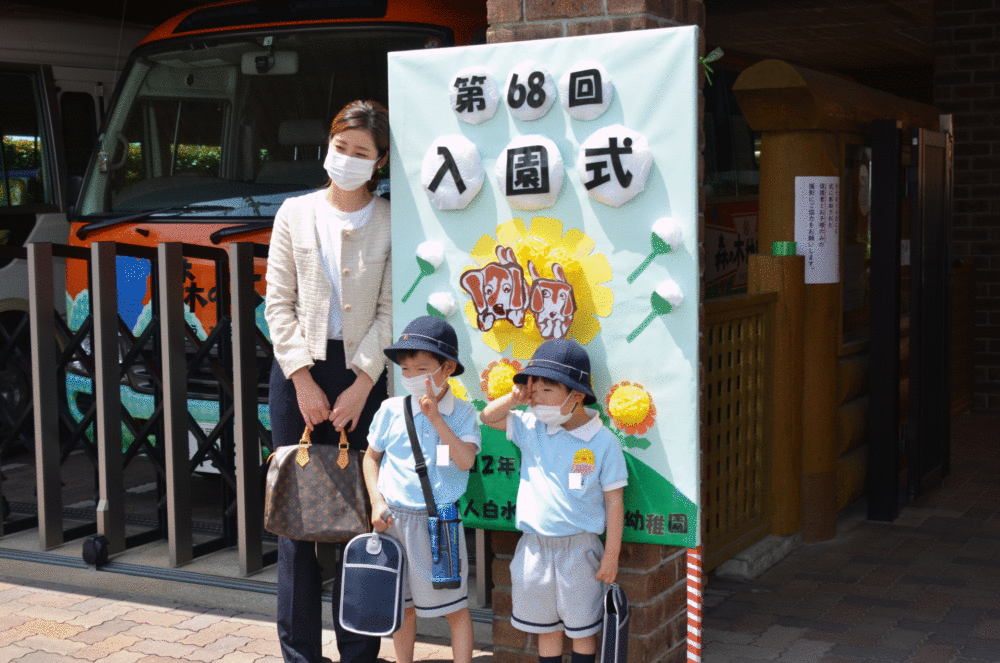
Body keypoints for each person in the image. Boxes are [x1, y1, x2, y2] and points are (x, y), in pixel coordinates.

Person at [265, 99, 391, 663]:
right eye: (340, 146)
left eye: (360, 152)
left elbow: (391, 309)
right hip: (300, 377)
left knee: (362, 518)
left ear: (379, 161)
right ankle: (299, 653)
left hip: (365, 374)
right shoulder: (294, 212)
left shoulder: (390, 219)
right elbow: (278, 303)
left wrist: (363, 382)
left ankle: (358, 651)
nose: (346, 158)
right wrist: (302, 379)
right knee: (296, 520)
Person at [480, 339, 627, 663]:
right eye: (533, 391)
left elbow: (614, 502)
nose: (536, 399)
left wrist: (611, 555)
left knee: (582, 631)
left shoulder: (603, 442)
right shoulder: (531, 425)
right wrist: (515, 397)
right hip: (534, 548)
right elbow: (488, 417)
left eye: (547, 391)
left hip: (580, 550)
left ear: (576, 395)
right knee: (545, 629)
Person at [363, 316, 480, 663]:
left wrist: (435, 418)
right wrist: (375, 501)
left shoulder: (463, 413)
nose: (412, 376)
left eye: (421, 368)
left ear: (447, 369)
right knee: (403, 607)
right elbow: (371, 458)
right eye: (406, 368)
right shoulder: (390, 409)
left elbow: (465, 461)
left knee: (454, 607)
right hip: (394, 520)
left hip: (441, 520)